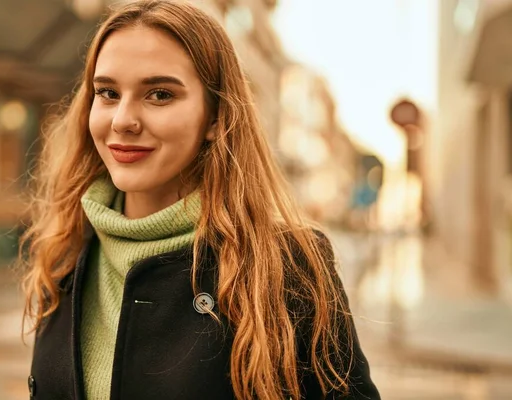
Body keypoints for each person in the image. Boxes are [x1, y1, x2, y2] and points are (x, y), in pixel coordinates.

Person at [21, 1, 381, 399]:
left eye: (159, 94)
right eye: (107, 92)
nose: (122, 119)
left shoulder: (286, 267)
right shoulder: (64, 253)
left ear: (214, 118)